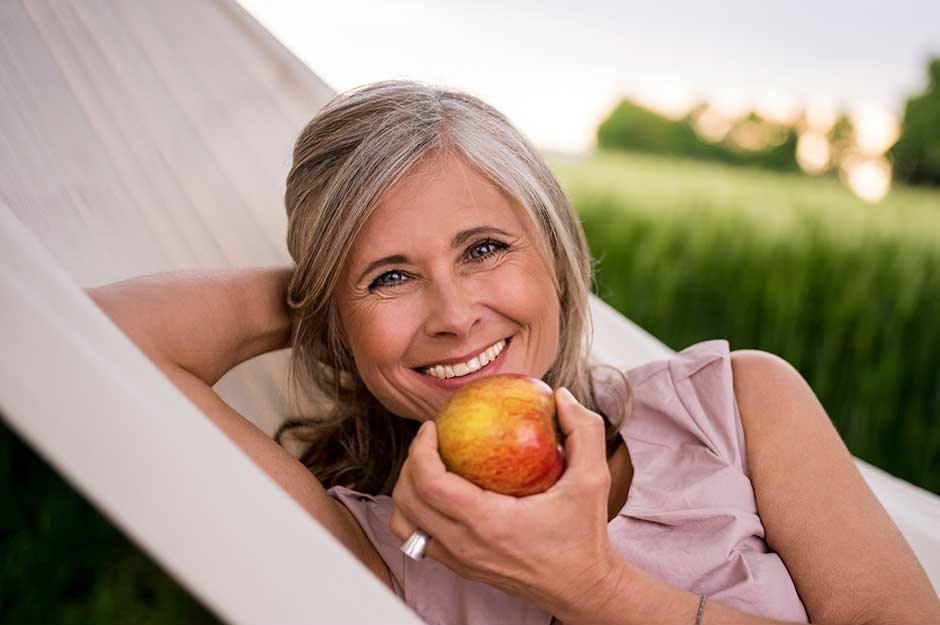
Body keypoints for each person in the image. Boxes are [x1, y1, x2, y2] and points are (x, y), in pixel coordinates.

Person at [87, 80, 940, 625]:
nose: (456, 315)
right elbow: (86, 339)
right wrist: (327, 294)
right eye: (392, 276)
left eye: (486, 248)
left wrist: (594, 586)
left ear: (557, 256)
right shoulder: (373, 549)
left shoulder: (736, 406)